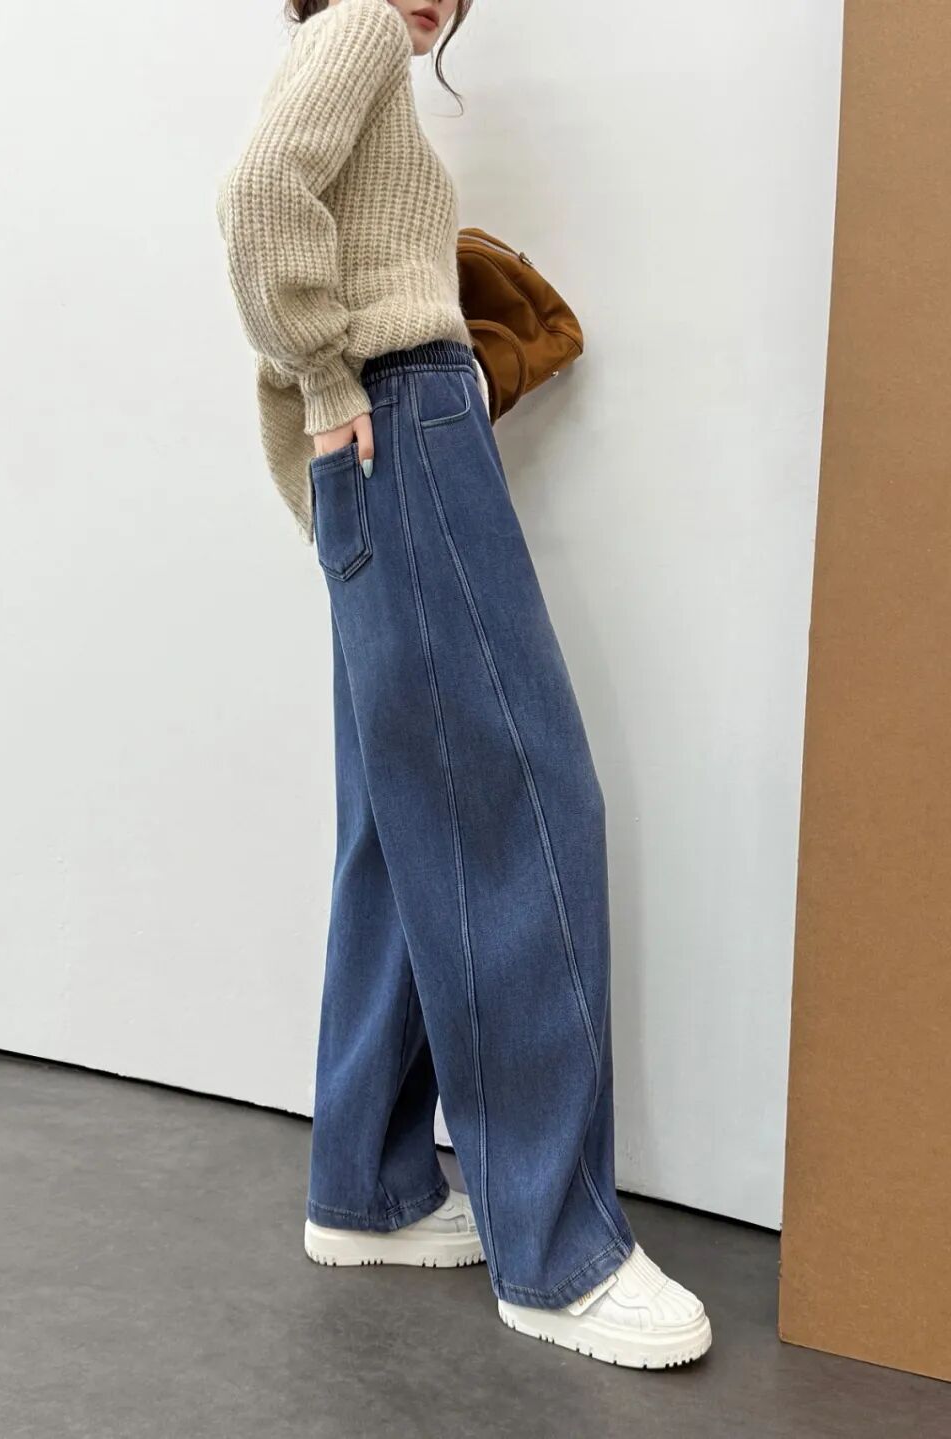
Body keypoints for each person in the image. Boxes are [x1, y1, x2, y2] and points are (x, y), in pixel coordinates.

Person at [216, 0, 712, 1370]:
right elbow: (256, 197)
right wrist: (336, 375)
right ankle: (558, 1252)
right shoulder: (358, 29)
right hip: (399, 427)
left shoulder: (349, 50)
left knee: (402, 826)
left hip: (387, 438)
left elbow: (292, 206)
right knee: (519, 810)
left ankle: (367, 1186)